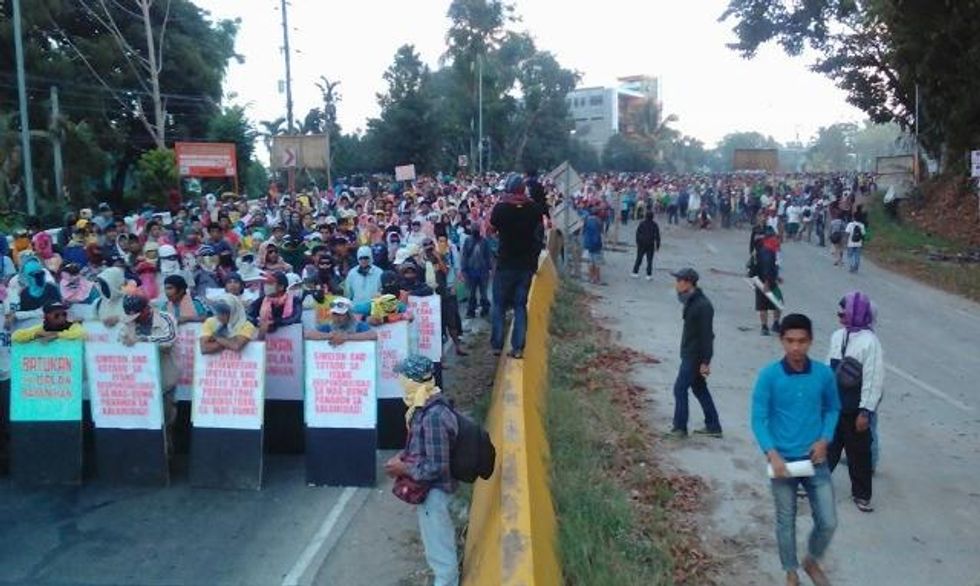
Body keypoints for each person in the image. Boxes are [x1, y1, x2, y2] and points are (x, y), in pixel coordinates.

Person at [751, 313, 839, 586]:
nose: (796, 347)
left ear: (810, 341)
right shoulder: (769, 376)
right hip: (783, 463)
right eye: (790, 341)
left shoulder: (823, 375)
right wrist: (771, 453)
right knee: (785, 520)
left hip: (815, 460)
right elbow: (758, 418)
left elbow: (833, 408)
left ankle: (812, 559)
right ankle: (791, 572)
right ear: (782, 341)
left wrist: (824, 440)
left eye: (802, 341)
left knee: (828, 521)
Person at [384, 354, 459, 586]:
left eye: (403, 377)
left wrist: (403, 468)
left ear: (412, 380)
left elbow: (436, 465)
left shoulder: (432, 415)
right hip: (431, 490)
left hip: (435, 492)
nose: (400, 381)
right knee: (436, 546)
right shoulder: (422, 404)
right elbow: (424, 448)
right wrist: (404, 456)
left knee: (440, 552)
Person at [826, 292, 884, 512]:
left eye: (844, 312)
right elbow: (828, 368)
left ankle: (861, 494)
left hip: (855, 407)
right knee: (827, 446)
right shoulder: (837, 336)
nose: (840, 316)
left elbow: (873, 378)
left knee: (859, 453)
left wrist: (866, 411)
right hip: (835, 405)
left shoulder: (869, 342)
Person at [489, 173, 543, 359]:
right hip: (526, 265)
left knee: (499, 304)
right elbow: (539, 234)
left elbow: (491, 229)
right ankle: (518, 347)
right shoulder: (534, 209)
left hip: (505, 264)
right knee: (520, 306)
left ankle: (497, 345)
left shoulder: (501, 209)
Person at [121, 294, 179, 451]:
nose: (134, 319)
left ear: (147, 309)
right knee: (142, 421)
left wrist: (144, 340)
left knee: (166, 420)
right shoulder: (128, 321)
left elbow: (170, 340)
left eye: (137, 315)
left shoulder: (166, 318)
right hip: (139, 382)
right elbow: (121, 342)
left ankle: (167, 455)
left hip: (165, 379)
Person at [669, 268, 722, 438]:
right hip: (690, 352)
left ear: (688, 283)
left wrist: (706, 361)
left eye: (679, 281)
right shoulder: (691, 301)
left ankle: (680, 428)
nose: (676, 284)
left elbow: (707, 335)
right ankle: (713, 426)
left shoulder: (702, 306)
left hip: (694, 356)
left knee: (680, 389)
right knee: (699, 388)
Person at [304, 297, 377, 345]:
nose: (337, 318)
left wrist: (347, 337)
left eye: (341, 314)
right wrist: (330, 335)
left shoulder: (359, 326)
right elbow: (307, 334)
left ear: (349, 314)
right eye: (335, 314)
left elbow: (373, 335)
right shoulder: (328, 327)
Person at [755, 228, 783, 336]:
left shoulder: (762, 249)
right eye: (775, 237)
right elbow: (767, 267)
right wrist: (767, 282)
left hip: (761, 281)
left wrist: (776, 277)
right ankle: (772, 325)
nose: (777, 240)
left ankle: (766, 327)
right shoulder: (768, 251)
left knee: (764, 305)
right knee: (778, 302)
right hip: (767, 282)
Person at [11, 302, 85, 343]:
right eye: (57, 315)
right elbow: (15, 336)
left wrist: (57, 335)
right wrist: (36, 334)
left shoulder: (72, 326)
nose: (62, 317)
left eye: (64, 314)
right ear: (46, 316)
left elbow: (80, 333)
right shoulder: (42, 328)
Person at [460, 224, 492, 319]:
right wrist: (463, 269)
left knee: (483, 293)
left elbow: (488, 255)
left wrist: (490, 268)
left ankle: (485, 310)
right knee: (471, 294)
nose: (475, 231)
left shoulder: (484, 241)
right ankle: (471, 311)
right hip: (471, 271)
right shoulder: (468, 241)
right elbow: (464, 255)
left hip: (483, 271)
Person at [631, 210, 661, 280]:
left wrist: (638, 242)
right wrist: (657, 246)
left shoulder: (642, 223)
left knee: (639, 258)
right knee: (649, 260)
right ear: (652, 217)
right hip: (650, 244)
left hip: (642, 243)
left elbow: (637, 233)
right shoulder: (655, 225)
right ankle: (648, 275)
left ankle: (635, 272)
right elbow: (657, 236)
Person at [582, 207, 604, 285]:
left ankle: (591, 278)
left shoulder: (586, 220)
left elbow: (583, 231)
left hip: (588, 244)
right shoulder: (599, 221)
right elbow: (601, 232)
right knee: (597, 263)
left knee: (590, 262)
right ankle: (597, 279)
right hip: (597, 244)